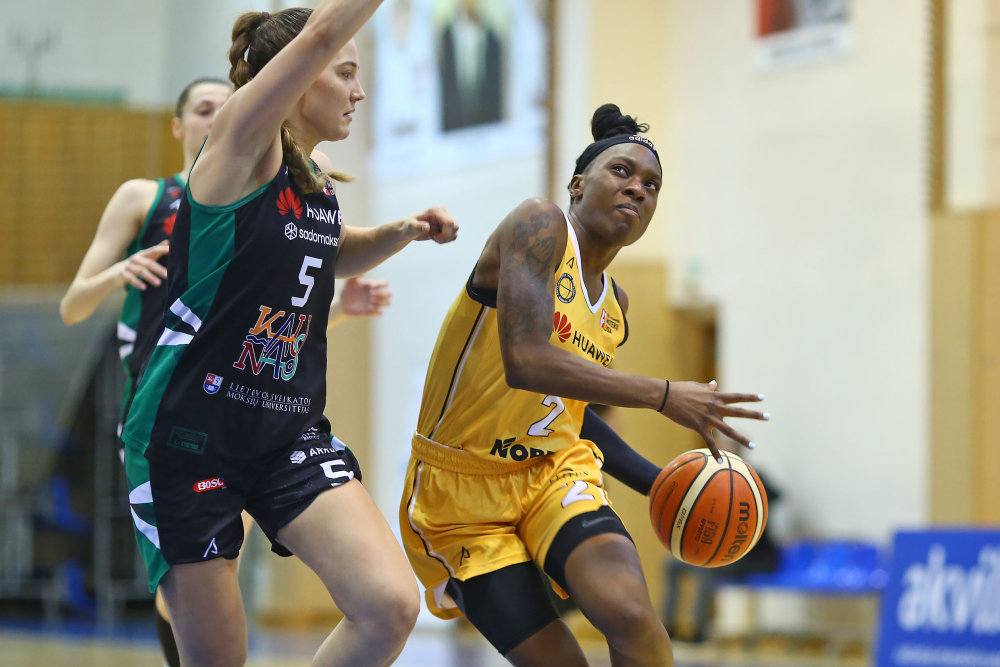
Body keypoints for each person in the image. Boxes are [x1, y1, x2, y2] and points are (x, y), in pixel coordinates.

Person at [121, 4, 458, 666]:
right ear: (301, 75)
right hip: (190, 433)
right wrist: (329, 35)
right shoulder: (241, 140)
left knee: (389, 605)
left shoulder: (314, 175)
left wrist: (402, 231)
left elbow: (327, 248)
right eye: (346, 73)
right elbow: (324, 31)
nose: (360, 92)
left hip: (284, 431)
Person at [399, 104, 768, 666]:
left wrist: (666, 484)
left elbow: (567, 413)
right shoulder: (537, 224)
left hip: (554, 472)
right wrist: (664, 395)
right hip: (461, 490)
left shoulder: (615, 307)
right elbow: (526, 360)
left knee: (632, 616)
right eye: (621, 171)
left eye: (652, 185)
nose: (638, 188)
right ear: (577, 184)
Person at [59, 75, 392, 667]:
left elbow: (263, 323)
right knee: (195, 587)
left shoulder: (278, 190)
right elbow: (72, 306)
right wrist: (117, 273)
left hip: (248, 408)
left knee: (219, 580)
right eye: (203, 108)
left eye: (225, 105)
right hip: (168, 410)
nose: (217, 116)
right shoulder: (145, 197)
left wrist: (341, 305)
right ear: (178, 125)